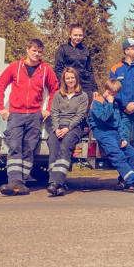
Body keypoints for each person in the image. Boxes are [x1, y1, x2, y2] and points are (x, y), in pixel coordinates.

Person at [0, 39, 59, 196]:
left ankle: (21, 183)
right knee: (15, 146)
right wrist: (1, 108)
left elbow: (55, 89)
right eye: (34, 50)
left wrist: (48, 109)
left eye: (39, 52)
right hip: (15, 114)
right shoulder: (15, 67)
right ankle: (14, 181)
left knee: (29, 149)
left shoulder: (45, 69)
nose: (36, 54)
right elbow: (0, 86)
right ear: (27, 50)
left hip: (35, 115)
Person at [90, 80, 134, 194]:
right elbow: (104, 117)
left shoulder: (115, 103)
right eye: (109, 93)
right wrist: (110, 103)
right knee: (117, 155)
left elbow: (118, 122)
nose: (110, 96)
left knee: (132, 153)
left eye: (113, 94)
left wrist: (123, 138)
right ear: (104, 89)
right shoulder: (97, 102)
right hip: (102, 132)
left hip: (114, 133)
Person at [45, 67, 89, 196]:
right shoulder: (58, 95)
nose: (70, 80)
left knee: (64, 148)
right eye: (68, 78)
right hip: (57, 127)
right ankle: (59, 185)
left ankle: (54, 182)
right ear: (64, 80)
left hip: (73, 128)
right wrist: (56, 128)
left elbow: (80, 115)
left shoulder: (83, 95)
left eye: (72, 78)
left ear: (76, 79)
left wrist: (68, 128)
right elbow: (54, 113)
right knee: (54, 149)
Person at [53, 24, 96, 94]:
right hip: (69, 87)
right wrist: (62, 85)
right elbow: (58, 69)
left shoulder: (85, 51)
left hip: (85, 87)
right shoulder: (63, 49)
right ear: (70, 35)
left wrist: (94, 88)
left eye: (80, 35)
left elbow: (90, 70)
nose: (78, 37)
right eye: (75, 35)